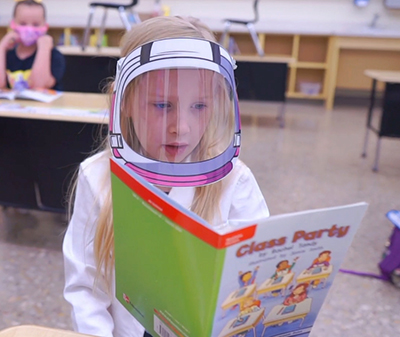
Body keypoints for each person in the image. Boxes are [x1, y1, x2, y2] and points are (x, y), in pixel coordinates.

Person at [62, 16, 269, 337]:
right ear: (124, 103)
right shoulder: (98, 176)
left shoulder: (234, 181)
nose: (181, 127)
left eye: (199, 106)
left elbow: (256, 282)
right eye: (161, 104)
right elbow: (85, 291)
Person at [0, 0, 65, 90]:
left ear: (45, 26)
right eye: (23, 23)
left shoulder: (55, 56)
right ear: (13, 24)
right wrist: (1, 47)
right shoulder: (7, 55)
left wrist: (44, 47)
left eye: (36, 24)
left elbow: (39, 85)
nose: (29, 29)